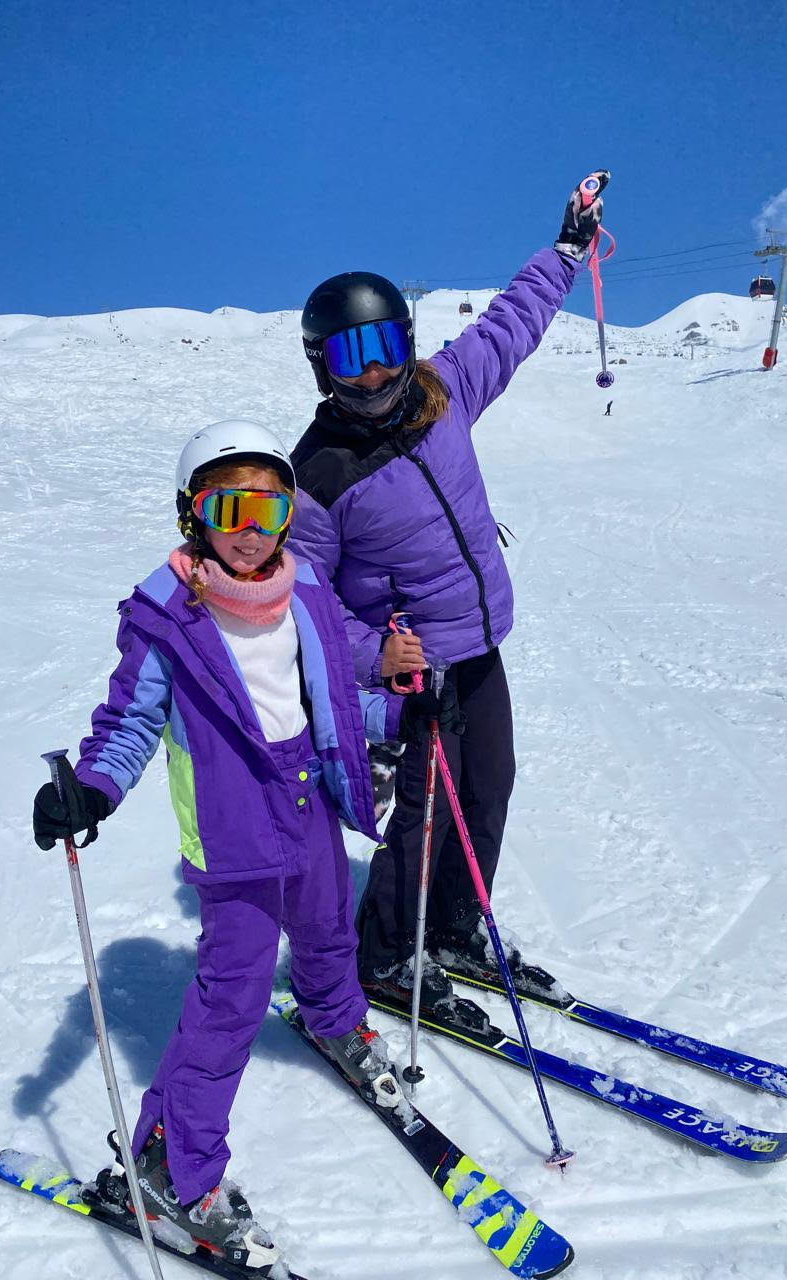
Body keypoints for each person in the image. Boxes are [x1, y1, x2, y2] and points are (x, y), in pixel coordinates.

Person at [31, 420, 427, 1274]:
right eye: (227, 508)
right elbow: (130, 722)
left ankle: (336, 1021)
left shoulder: (305, 588)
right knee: (232, 1001)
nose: (249, 529)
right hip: (231, 829)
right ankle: (173, 1167)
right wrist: (90, 788)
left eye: (268, 507)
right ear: (193, 515)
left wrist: (401, 711)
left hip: (309, 794)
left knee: (329, 929)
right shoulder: (168, 616)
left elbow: (327, 703)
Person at [288, 172, 609, 1032]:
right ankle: (388, 952)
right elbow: (306, 606)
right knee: (428, 811)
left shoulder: (442, 390)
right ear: (323, 366)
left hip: (478, 642)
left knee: (489, 786)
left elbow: (511, 323)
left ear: (407, 341)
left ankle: (459, 927)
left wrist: (566, 251)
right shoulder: (317, 476)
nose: (374, 370)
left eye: (385, 345)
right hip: (415, 668)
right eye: (351, 356)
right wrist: (375, 658)